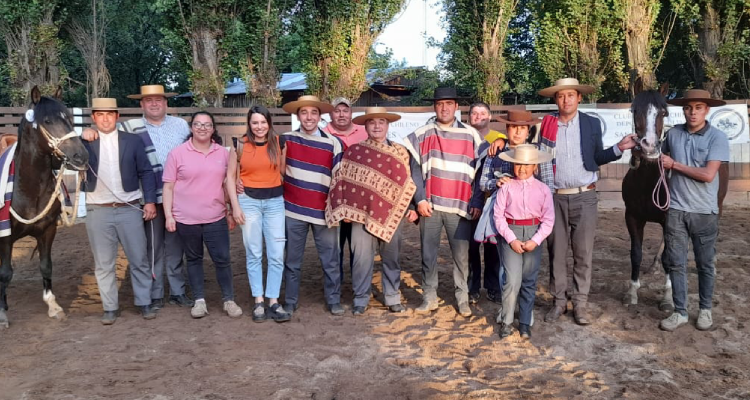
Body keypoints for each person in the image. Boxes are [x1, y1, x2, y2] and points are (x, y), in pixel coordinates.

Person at [537, 78, 638, 326]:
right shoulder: (545, 126)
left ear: (579, 98)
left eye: (571, 95)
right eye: (561, 96)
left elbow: (597, 156)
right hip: (555, 197)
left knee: (583, 253)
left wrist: (619, 148)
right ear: (555, 100)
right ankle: (559, 301)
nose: (566, 100)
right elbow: (535, 157)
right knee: (557, 253)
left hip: (585, 195)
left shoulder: (591, 124)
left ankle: (580, 302)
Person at [83, 84, 193, 309]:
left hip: (177, 197)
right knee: (152, 248)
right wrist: (87, 131)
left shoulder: (181, 125)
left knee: (175, 246)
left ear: (166, 102)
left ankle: (177, 290)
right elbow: (105, 132)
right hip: (147, 198)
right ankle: (154, 293)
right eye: (148, 100)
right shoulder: (129, 128)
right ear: (141, 104)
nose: (154, 104)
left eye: (158, 100)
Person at [326, 107, 419, 315]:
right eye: (372, 122)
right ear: (365, 126)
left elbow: (408, 182)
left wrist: (412, 207)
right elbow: (343, 181)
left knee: (392, 257)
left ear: (388, 125)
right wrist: (346, 210)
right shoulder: (355, 151)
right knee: (361, 258)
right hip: (361, 216)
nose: (377, 126)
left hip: (391, 215)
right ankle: (360, 298)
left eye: (381, 122)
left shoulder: (400, 152)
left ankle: (392, 296)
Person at [403, 87, 482, 318]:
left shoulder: (471, 134)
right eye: (440, 104)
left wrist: (476, 199)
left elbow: (480, 171)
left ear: (457, 107)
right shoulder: (424, 133)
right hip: (431, 206)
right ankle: (429, 297)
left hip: (460, 206)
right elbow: (414, 169)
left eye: (449, 103)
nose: (444, 108)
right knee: (428, 254)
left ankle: (463, 298)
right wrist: (419, 199)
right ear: (434, 106)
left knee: (461, 256)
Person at [82, 98, 158, 325]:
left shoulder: (133, 141)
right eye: (100, 115)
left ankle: (144, 302)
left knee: (139, 258)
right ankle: (110, 307)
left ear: (117, 117)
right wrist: (81, 136)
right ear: (93, 118)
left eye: (109, 114)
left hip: (129, 208)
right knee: (104, 262)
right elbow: (64, 160)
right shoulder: (83, 142)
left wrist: (150, 201)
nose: (105, 119)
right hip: (98, 210)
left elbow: (146, 172)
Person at [658, 89, 729, 332]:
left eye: (698, 107)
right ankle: (680, 311)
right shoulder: (674, 134)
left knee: (704, 264)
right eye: (688, 107)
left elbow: (709, 175)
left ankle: (705, 310)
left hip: (704, 211)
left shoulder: (717, 137)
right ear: (683, 110)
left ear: (706, 110)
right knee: (676, 263)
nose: (693, 112)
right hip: (676, 210)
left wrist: (674, 165)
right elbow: (658, 156)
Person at [162, 111, 242, 319]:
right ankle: (199, 301)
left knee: (222, 259)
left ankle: (229, 300)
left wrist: (231, 210)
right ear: (191, 128)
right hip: (186, 219)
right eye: (198, 124)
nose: (202, 128)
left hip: (215, 217)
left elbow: (229, 183)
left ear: (213, 129)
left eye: (207, 125)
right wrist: (169, 215)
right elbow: (168, 187)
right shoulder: (177, 153)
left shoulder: (223, 154)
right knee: (194, 259)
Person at [281, 95, 345, 316]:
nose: (309, 117)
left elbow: (339, 179)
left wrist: (335, 209)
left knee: (330, 259)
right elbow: (273, 170)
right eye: (304, 112)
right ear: (298, 115)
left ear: (320, 116)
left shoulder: (333, 143)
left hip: (323, 210)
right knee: (292, 260)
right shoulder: (286, 139)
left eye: (313, 113)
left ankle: (333, 299)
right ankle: (290, 300)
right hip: (293, 208)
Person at [226, 106, 291, 323]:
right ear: (249, 124)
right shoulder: (239, 145)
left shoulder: (279, 143)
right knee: (254, 252)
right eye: (255, 123)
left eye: (263, 122)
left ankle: (273, 300)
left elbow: (283, 172)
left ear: (269, 123)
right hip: (249, 202)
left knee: (276, 253)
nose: (259, 127)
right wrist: (235, 207)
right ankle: (259, 300)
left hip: (274, 202)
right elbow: (230, 178)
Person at [492, 145, 554, 339]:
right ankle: (507, 320)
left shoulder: (543, 189)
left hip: (534, 233)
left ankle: (525, 322)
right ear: (513, 165)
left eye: (527, 165)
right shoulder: (506, 188)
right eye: (519, 164)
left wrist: (535, 240)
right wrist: (511, 239)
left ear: (535, 166)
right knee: (512, 280)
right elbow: (498, 216)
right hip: (511, 232)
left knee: (529, 280)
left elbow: (548, 219)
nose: (522, 168)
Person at [322, 97, 368, 279]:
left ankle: (359, 286)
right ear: (330, 114)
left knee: (360, 248)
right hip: (332, 200)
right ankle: (336, 287)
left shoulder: (365, 132)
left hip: (359, 201)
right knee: (335, 248)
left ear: (351, 113)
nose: (341, 114)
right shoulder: (323, 134)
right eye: (337, 111)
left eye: (345, 110)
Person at [467, 102, 507, 304]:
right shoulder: (464, 136)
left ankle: (492, 287)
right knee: (471, 247)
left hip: (490, 200)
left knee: (492, 247)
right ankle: (472, 288)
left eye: (483, 113)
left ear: (490, 116)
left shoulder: (499, 140)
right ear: (469, 117)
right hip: (467, 200)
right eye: (474, 113)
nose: (478, 116)